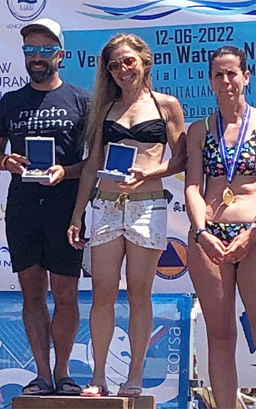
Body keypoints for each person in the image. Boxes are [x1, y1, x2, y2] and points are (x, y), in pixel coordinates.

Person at [66, 33, 185, 397]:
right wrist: (77, 215)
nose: (122, 70)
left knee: (139, 293)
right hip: (105, 205)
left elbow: (181, 159)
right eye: (114, 65)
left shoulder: (166, 105)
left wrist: (148, 173)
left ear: (144, 62)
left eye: (128, 61)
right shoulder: (104, 108)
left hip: (147, 205)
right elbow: (92, 165)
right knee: (102, 292)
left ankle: (134, 376)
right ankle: (98, 376)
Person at [0, 19, 88, 396]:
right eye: (30, 50)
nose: (37, 57)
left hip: (65, 207)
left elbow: (95, 160)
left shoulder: (82, 100)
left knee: (66, 294)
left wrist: (67, 171)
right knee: (32, 293)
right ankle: (42, 374)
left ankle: (64, 372)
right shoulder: (11, 101)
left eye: (45, 50)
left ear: (61, 55)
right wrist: (5, 162)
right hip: (23, 208)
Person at [184, 46, 256, 408]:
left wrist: (253, 232)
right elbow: (192, 187)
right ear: (210, 81)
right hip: (210, 238)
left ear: (246, 76)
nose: (226, 80)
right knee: (221, 336)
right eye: (219, 74)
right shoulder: (199, 130)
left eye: (232, 73)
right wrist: (201, 232)